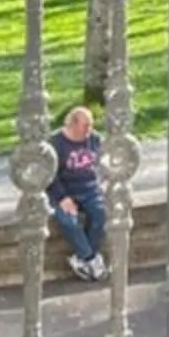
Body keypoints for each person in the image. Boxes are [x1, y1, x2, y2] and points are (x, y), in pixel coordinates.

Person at [49, 105, 110, 283]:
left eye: (91, 125)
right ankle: (91, 259)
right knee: (69, 221)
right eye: (86, 125)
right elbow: (50, 176)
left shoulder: (94, 139)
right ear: (72, 125)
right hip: (65, 190)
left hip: (89, 188)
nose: (89, 130)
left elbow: (102, 163)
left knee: (100, 213)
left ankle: (83, 260)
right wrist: (62, 198)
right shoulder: (55, 143)